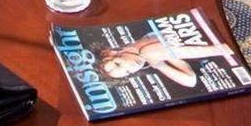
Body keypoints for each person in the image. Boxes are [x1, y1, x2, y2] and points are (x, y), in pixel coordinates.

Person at [98, 30, 241, 89]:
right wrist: (159, 65)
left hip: (231, 42)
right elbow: (190, 79)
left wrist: (159, 65)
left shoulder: (148, 52)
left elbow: (191, 80)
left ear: (114, 53)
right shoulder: (145, 52)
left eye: (119, 64)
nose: (131, 67)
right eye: (128, 72)